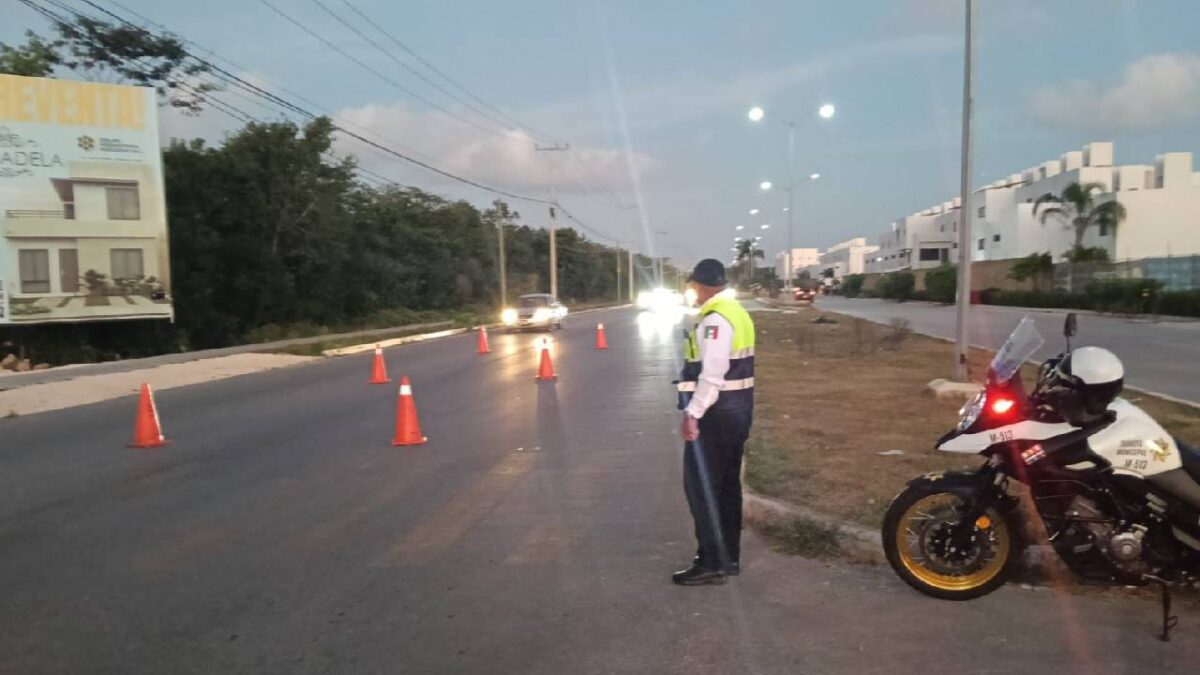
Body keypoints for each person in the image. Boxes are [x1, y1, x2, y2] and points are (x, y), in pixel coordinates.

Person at [673, 259, 756, 586]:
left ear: (701, 285)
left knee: (702, 488)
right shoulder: (736, 312)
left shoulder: (715, 320)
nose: (692, 291)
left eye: (693, 285)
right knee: (726, 487)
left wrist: (693, 414)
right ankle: (729, 558)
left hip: (716, 415)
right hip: (738, 412)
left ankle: (711, 562)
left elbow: (712, 375)